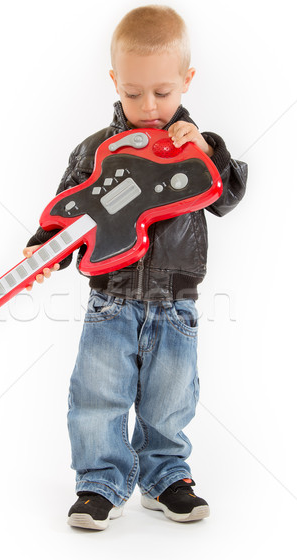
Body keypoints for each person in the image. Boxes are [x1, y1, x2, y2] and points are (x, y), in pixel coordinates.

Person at [22, 4, 248, 530]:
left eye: (163, 93)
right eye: (133, 92)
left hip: (178, 301)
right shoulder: (96, 150)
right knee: (98, 393)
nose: (148, 106)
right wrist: (42, 249)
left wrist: (211, 150)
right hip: (110, 296)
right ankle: (100, 481)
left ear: (187, 81)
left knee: (171, 395)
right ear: (114, 81)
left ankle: (167, 475)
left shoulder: (197, 149)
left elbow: (228, 196)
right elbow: (67, 210)